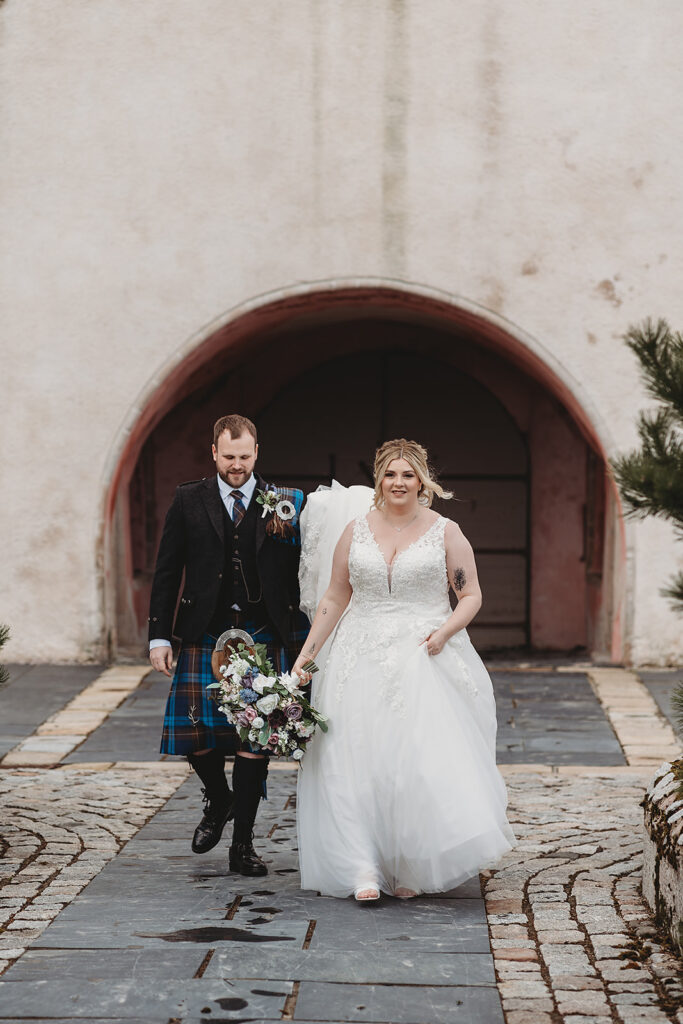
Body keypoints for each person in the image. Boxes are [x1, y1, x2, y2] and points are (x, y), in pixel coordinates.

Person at [292, 439, 515, 901]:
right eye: (390, 474)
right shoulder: (355, 531)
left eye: (407, 475)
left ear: (422, 480)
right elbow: (335, 597)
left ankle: (411, 865)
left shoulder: (445, 531)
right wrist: (307, 655)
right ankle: (362, 868)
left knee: (413, 765)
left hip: (423, 656)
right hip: (358, 658)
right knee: (350, 763)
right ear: (379, 479)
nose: (398, 483)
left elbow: (470, 594)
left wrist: (443, 633)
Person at [149, 414, 308, 877]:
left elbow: (307, 566)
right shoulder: (187, 499)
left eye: (245, 457)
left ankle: (243, 847)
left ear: (257, 452)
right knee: (194, 736)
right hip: (203, 631)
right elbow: (166, 570)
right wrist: (160, 634)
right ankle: (220, 799)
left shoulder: (283, 502)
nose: (237, 465)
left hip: (264, 632)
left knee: (254, 739)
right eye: (229, 456)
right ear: (213, 452)